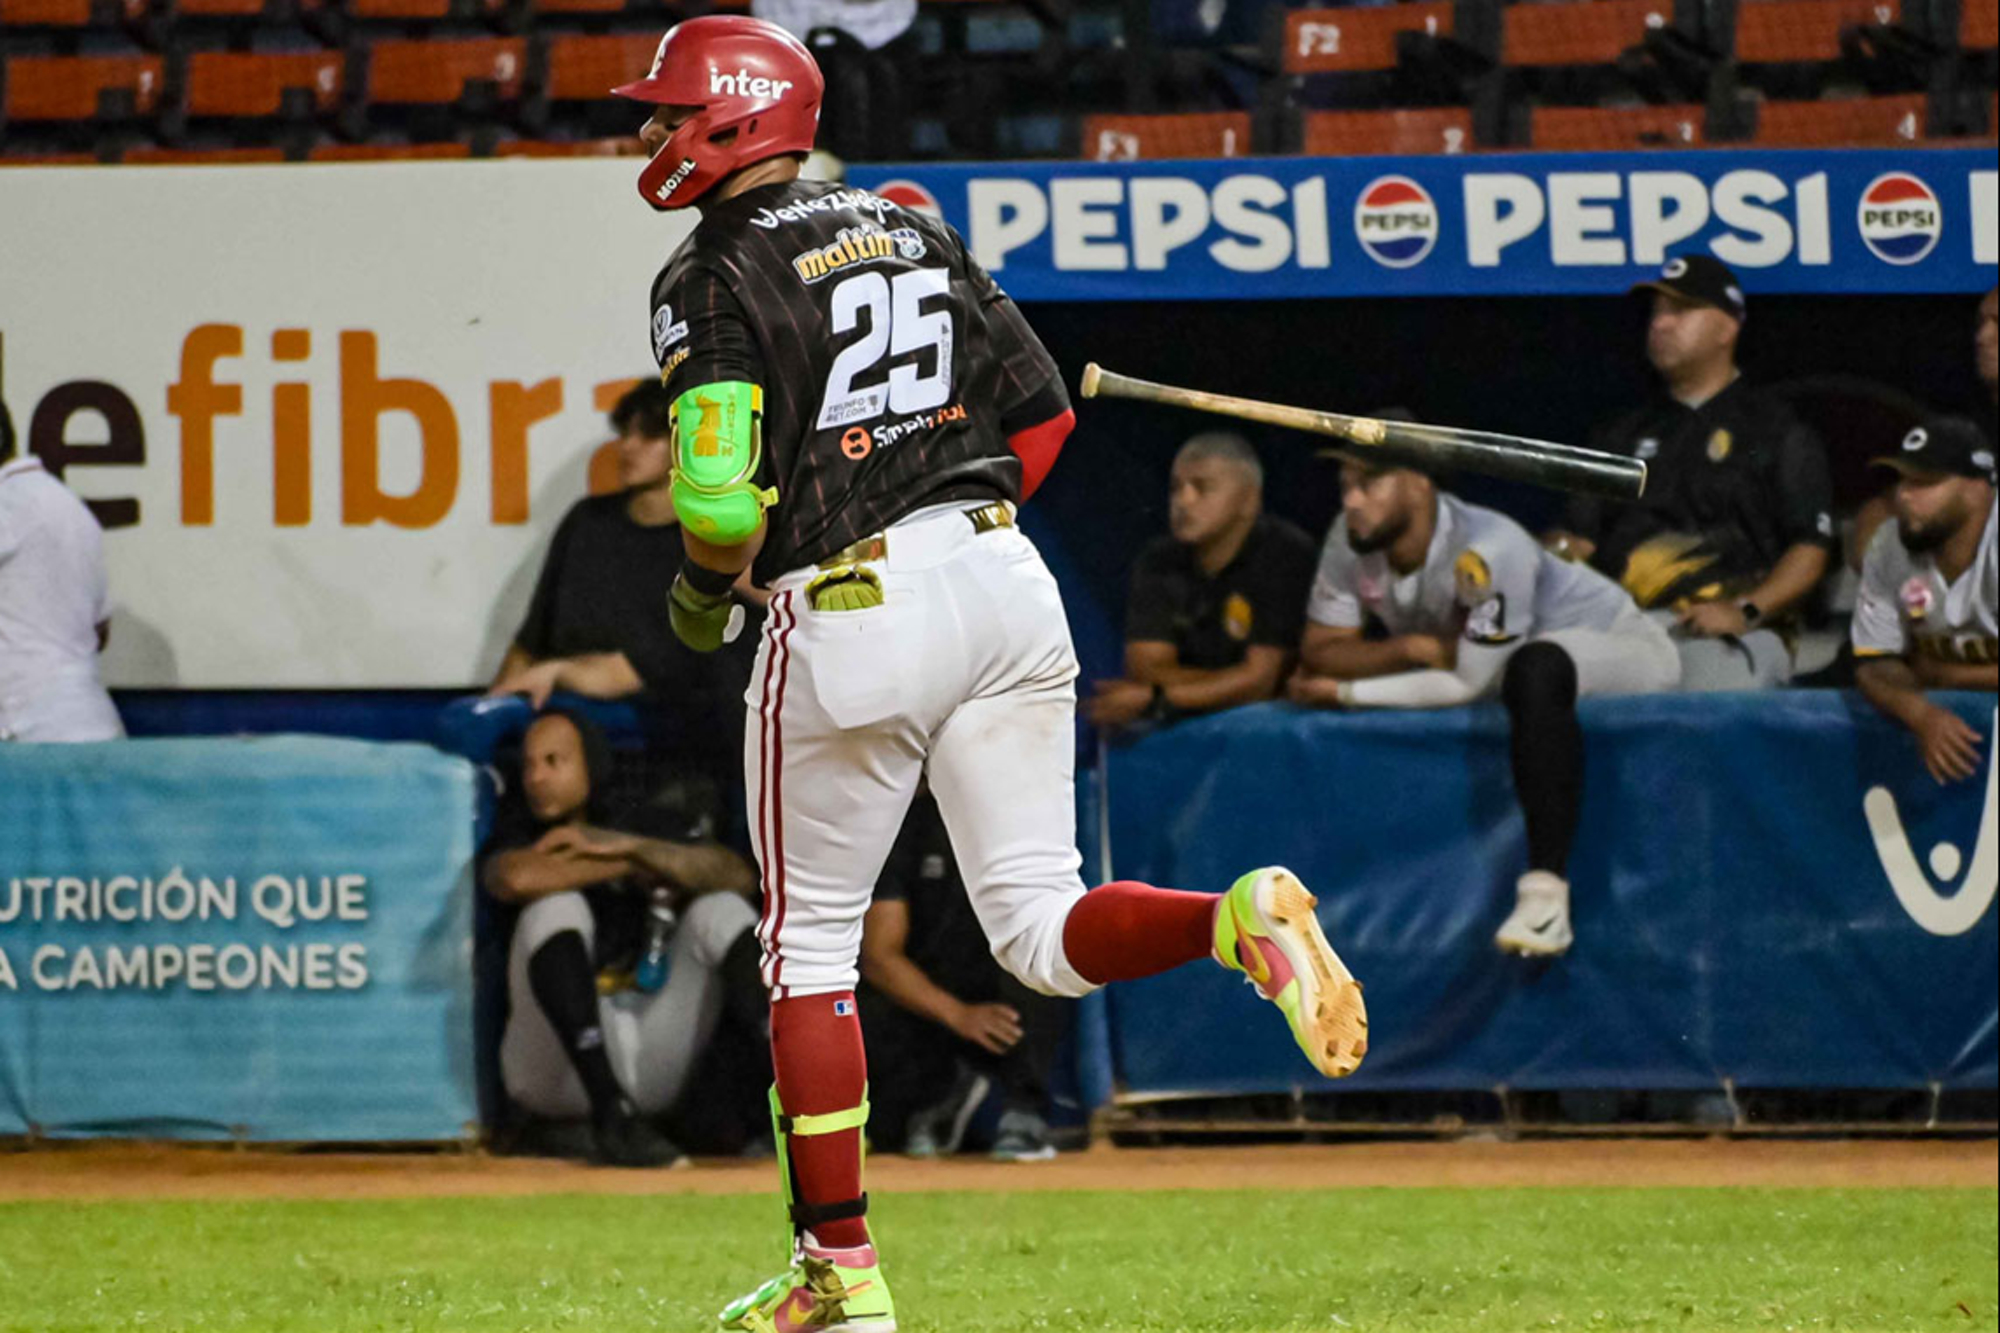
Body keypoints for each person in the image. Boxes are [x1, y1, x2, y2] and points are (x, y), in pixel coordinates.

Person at [612, 18, 1366, 1329]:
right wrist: (944, 529)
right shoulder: (914, 226)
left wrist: (697, 587)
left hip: (847, 606)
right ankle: (1230, 921)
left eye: (664, 110)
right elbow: (1048, 421)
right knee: (1039, 929)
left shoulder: (710, 269)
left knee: (806, 957)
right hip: (1008, 578)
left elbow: (723, 504)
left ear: (730, 118)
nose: (646, 133)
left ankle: (839, 1273)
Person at [1290, 454, 1679, 957]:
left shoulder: (1490, 548)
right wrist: (1411, 650)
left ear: (1419, 483)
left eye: (1369, 482)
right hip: (1508, 670)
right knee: (1524, 671)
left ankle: (1545, 900)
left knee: (1533, 667)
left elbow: (1466, 684)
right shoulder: (1350, 536)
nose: (1351, 501)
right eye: (1344, 485)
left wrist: (1344, 693)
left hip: (1624, 649)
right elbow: (1322, 651)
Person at [483, 709, 765, 1166]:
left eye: (554, 761)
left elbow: (736, 876)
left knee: (722, 909)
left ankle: (798, 1091)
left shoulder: (639, 824)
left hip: (647, 1048)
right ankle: (611, 1114)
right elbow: (513, 879)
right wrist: (629, 864)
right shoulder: (518, 825)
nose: (536, 777)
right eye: (530, 764)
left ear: (591, 764)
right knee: (554, 906)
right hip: (553, 1070)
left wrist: (632, 848)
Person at [1545, 255, 1835, 690]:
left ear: (1727, 327)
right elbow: (1579, 540)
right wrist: (1539, 553)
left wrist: (1746, 611)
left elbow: (1810, 550)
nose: (1660, 324)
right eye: (1657, 312)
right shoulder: (1621, 434)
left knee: (1702, 704)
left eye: (1680, 311)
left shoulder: (1775, 430)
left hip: (1734, 631)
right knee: (1545, 673)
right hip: (1631, 630)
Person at [488, 381, 759, 717]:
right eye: (626, 433)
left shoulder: (713, 541)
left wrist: (571, 673)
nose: (629, 446)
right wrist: (490, 711)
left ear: (689, 443)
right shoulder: (587, 522)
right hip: (565, 714)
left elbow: (670, 659)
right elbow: (533, 637)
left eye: (649, 435)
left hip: (678, 726)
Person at [859, 791, 1069, 1162]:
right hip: (929, 1005)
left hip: (1001, 993)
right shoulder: (896, 828)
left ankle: (1024, 1112)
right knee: (861, 1009)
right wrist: (958, 1015)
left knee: (1041, 960)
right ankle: (941, 1098)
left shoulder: (1021, 824)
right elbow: (878, 956)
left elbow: (1043, 924)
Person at [1084, 432, 1316, 729]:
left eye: (1202, 488)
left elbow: (1263, 683)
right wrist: (1235, 681)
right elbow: (1144, 667)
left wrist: (1156, 698)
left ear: (1249, 499)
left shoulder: (1285, 553)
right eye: (1176, 488)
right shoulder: (1159, 560)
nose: (1184, 500)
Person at [1852, 416, 1997, 784]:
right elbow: (1875, 661)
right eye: (1902, 479)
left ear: (1978, 490)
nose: (1903, 494)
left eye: (1924, 482)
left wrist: (1950, 676)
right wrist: (1921, 715)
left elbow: (1936, 673)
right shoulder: (1889, 545)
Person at [0, 401, 124, 743]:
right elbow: (100, 631)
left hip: (32, 736)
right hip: (91, 727)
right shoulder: (69, 505)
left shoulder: (7, 503)